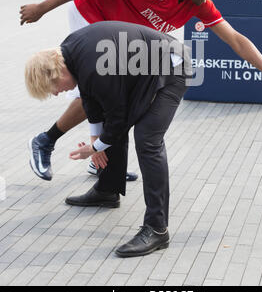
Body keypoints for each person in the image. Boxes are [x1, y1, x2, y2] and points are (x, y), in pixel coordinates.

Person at [20, 0, 262, 184]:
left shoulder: (197, 3)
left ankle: (99, 161)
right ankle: (46, 141)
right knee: (91, 88)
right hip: (91, 15)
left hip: (119, 37)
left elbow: (236, 39)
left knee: (113, 94)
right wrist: (42, 8)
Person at [25, 21, 191, 257]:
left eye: (52, 86)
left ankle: (157, 228)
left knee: (147, 140)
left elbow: (117, 118)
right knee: (112, 131)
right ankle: (107, 189)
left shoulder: (91, 65)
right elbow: (92, 100)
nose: (55, 93)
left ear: (57, 71)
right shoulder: (70, 52)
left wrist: (94, 147)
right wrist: (97, 142)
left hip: (173, 66)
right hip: (148, 69)